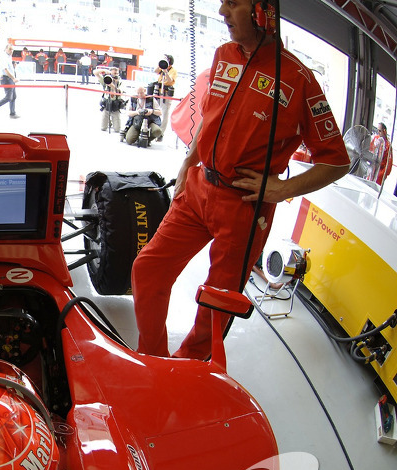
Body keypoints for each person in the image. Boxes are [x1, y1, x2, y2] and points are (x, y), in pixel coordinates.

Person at [131, 0, 349, 360]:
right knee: (148, 268)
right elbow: (213, 118)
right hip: (199, 188)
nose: (221, 12)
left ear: (263, 11)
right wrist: (188, 162)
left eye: (232, 3)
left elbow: (337, 160)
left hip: (243, 208)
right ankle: (151, 359)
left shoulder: (300, 79)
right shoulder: (223, 55)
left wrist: (283, 189)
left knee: (216, 307)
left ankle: (189, 372)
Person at [0, 43, 19, 118]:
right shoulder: (4, 57)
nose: (11, 51)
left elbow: (9, 69)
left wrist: (13, 67)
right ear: (5, 49)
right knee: (9, 97)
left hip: (10, 79)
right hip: (7, 79)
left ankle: (12, 113)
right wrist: (13, 78)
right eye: (10, 49)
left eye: (12, 49)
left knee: (14, 96)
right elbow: (5, 70)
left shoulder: (9, 57)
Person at [153, 54, 177, 140]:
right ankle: (155, 130)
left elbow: (170, 80)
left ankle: (161, 133)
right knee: (156, 110)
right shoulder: (161, 66)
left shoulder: (173, 71)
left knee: (165, 112)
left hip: (166, 92)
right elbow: (155, 71)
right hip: (158, 90)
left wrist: (165, 71)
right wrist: (161, 64)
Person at [94, 65, 124, 133]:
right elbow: (95, 72)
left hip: (115, 105)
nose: (115, 75)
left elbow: (120, 92)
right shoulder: (106, 80)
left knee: (117, 129)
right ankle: (108, 122)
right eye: (113, 73)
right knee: (103, 128)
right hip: (107, 104)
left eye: (116, 73)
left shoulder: (120, 82)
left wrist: (113, 86)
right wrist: (104, 71)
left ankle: (112, 122)